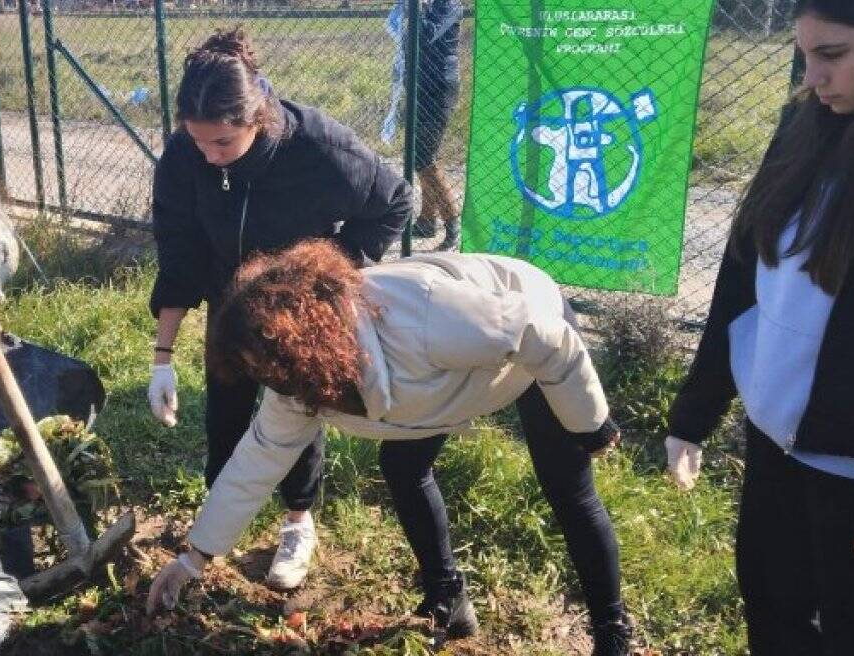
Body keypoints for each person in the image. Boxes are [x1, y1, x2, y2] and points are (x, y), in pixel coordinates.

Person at [146, 241, 633, 654]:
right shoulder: (296, 380)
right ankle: (449, 600)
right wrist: (194, 559)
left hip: (529, 343)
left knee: (567, 487)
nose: (269, 382)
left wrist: (591, 423)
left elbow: (540, 335)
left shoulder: (419, 315)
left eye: (271, 366)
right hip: (441, 386)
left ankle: (613, 633)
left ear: (302, 343)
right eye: (259, 371)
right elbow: (257, 461)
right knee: (402, 465)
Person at [665, 0, 854, 653]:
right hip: (776, 441)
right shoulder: (806, 120)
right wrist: (695, 409)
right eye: (804, 53)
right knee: (774, 615)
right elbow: (741, 267)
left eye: (834, 54)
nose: (813, 77)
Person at [147, 28, 413, 591]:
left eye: (221, 143)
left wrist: (328, 272)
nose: (206, 154)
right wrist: (162, 356)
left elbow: (395, 201)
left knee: (295, 407)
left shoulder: (320, 151)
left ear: (255, 119)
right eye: (197, 142)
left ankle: (298, 519)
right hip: (229, 301)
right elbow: (179, 250)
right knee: (225, 410)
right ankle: (217, 525)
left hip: (297, 308)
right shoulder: (184, 155)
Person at [408, 0, 464, 252]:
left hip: (441, 85)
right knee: (419, 155)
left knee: (425, 157)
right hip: (420, 81)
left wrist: (416, 7)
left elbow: (427, 34)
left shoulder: (449, 2)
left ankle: (453, 223)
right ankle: (426, 220)